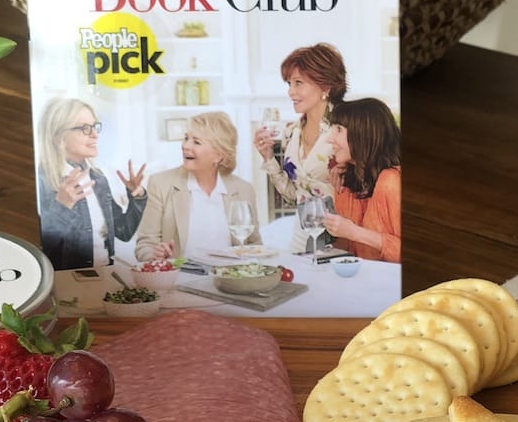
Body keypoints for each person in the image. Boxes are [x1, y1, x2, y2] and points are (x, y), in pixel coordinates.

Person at [253, 43, 347, 252]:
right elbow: (293, 195)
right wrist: (268, 158)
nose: (291, 92)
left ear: (325, 86)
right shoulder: (291, 133)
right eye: (289, 83)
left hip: (341, 236)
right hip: (302, 235)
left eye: (298, 83)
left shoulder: (345, 130)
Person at [134, 111, 261, 262]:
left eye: (196, 142)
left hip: (230, 280)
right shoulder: (160, 184)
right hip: (181, 279)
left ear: (218, 155)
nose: (185, 146)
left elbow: (254, 244)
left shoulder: (243, 190)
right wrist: (154, 254)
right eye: (186, 138)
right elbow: (145, 245)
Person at [36, 97, 147, 270]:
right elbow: (43, 249)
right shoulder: (42, 180)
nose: (95, 134)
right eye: (84, 129)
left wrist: (137, 195)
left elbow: (123, 232)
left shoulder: (98, 178)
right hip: (67, 281)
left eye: (94, 127)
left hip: (105, 274)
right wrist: (62, 206)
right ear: (58, 137)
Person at [322, 98, 402, 263]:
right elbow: (350, 249)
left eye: (338, 129)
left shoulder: (391, 181)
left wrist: (354, 232)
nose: (329, 139)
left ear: (362, 133)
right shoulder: (350, 180)